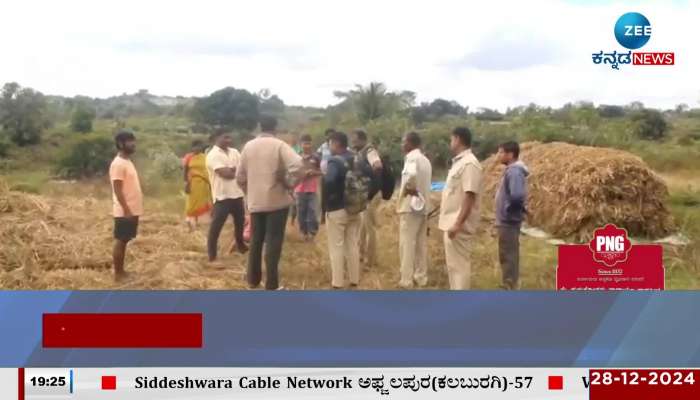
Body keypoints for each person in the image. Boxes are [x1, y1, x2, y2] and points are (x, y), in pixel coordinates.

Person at [236, 116, 302, 290]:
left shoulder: (248, 147)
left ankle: (253, 280)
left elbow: (239, 177)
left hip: (256, 202)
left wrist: (249, 193)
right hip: (276, 203)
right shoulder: (279, 145)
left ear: (260, 127)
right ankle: (272, 285)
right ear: (275, 128)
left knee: (256, 240)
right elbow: (298, 165)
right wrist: (290, 184)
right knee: (273, 242)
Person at [438, 126, 482, 290]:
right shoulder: (460, 162)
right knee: (454, 267)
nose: (450, 142)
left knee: (459, 268)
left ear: (457, 139)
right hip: (451, 223)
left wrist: (457, 223)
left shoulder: (470, 164)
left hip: (458, 226)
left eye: (451, 139)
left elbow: (469, 195)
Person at [324, 131, 365, 289]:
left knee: (336, 246)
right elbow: (371, 177)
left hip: (337, 210)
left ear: (335, 143)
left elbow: (329, 181)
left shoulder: (334, 161)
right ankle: (354, 279)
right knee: (352, 244)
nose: (329, 146)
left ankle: (337, 282)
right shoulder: (358, 158)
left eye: (330, 143)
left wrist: (328, 201)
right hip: (356, 208)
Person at [206, 129, 247, 262]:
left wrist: (233, 169)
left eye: (230, 137)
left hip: (237, 194)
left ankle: (240, 246)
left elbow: (244, 169)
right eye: (225, 138)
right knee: (216, 227)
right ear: (217, 138)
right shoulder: (212, 155)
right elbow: (226, 174)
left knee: (240, 223)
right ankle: (212, 255)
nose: (229, 140)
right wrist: (235, 169)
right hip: (222, 196)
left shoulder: (234, 152)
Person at [397, 132, 432, 288]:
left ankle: (406, 280)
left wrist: (409, 189)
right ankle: (421, 276)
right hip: (423, 206)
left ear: (410, 143)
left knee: (407, 244)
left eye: (404, 141)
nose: (402, 145)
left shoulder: (411, 158)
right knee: (420, 243)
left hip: (410, 206)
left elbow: (410, 176)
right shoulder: (425, 160)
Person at [109, 130, 143, 282]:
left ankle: (122, 271)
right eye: (130, 141)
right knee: (121, 240)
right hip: (124, 211)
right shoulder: (117, 164)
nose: (133, 144)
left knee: (125, 240)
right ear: (121, 144)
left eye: (133, 140)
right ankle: (118, 274)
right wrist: (127, 209)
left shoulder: (127, 162)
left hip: (131, 209)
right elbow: (117, 189)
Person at [495, 141, 529, 290]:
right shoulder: (512, 170)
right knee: (507, 252)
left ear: (510, 154)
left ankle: (509, 285)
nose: (499, 155)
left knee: (508, 254)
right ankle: (509, 282)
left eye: (501, 152)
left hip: (508, 221)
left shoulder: (514, 171)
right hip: (507, 220)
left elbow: (517, 196)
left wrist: (508, 211)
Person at [350, 129, 383, 270]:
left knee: (369, 228)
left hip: (371, 194)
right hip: (365, 194)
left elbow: (378, 166)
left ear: (362, 140)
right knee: (362, 227)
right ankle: (361, 255)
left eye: (355, 140)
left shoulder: (370, 151)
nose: (353, 142)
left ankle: (370, 261)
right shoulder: (359, 153)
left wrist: (367, 177)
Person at [295, 134, 322, 241]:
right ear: (300, 144)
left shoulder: (316, 157)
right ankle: (303, 232)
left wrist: (313, 172)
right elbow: (292, 172)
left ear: (311, 144)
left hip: (312, 189)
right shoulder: (296, 157)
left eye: (308, 143)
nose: (306, 146)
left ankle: (312, 233)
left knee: (313, 212)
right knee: (301, 212)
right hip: (299, 189)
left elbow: (322, 171)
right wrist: (302, 173)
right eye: (304, 143)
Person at [183, 140, 213, 231]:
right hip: (193, 183)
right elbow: (185, 170)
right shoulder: (189, 157)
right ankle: (190, 221)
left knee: (204, 202)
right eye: (196, 146)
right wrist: (186, 183)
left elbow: (208, 170)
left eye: (200, 146)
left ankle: (198, 223)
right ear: (192, 147)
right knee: (192, 203)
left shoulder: (205, 157)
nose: (198, 148)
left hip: (204, 183)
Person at [317, 128, 335, 225]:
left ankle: (332, 214)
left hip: (335, 176)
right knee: (324, 196)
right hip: (324, 175)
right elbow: (317, 155)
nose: (329, 136)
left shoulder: (338, 146)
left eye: (331, 134)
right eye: (328, 135)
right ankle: (323, 215)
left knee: (334, 194)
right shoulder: (323, 146)